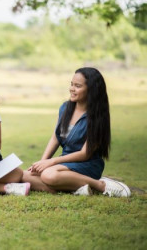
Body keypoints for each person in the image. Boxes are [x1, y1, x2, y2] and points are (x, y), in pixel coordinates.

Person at [22, 67, 131, 197]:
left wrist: (51, 162)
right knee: (23, 175)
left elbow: (85, 154)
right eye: (71, 84)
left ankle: (99, 185)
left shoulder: (97, 117)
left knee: (48, 175)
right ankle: (75, 188)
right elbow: (55, 138)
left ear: (91, 90)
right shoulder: (65, 108)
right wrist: (41, 162)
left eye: (78, 86)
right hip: (63, 164)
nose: (72, 89)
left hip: (86, 164)